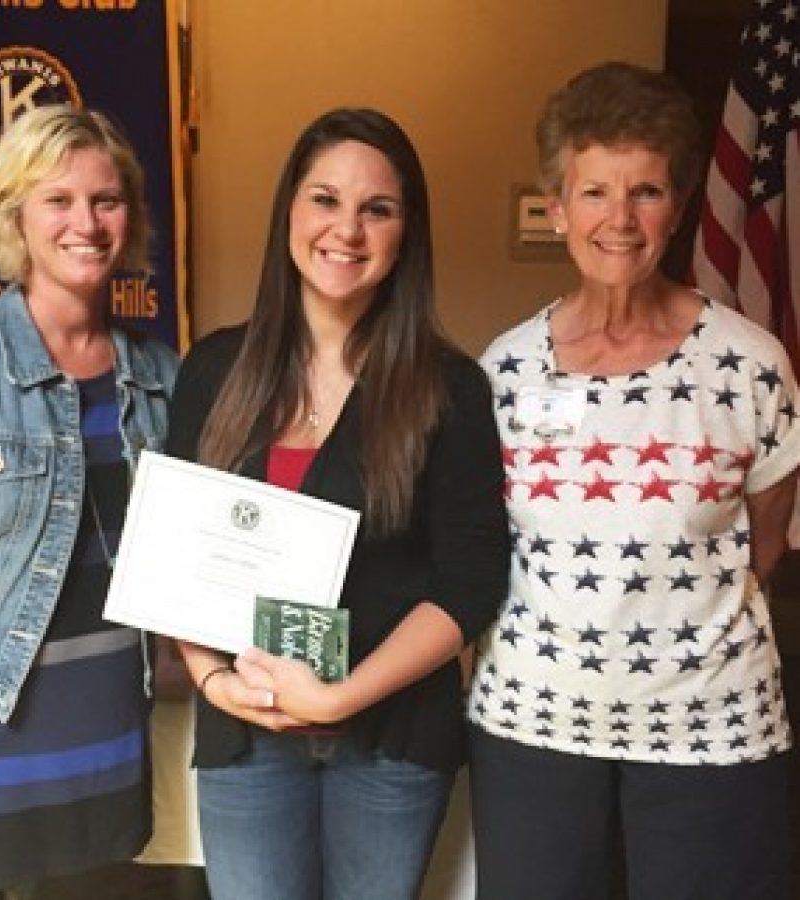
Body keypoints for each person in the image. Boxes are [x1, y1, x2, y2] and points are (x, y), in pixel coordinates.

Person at [468, 60, 800, 900]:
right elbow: (482, 542)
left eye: (645, 192)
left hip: (709, 730)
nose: (619, 219)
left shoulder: (750, 364)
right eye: (594, 192)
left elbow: (764, 543)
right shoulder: (503, 370)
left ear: (680, 205)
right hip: (534, 724)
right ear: (557, 207)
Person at [166, 106, 508, 900]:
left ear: (405, 233)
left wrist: (337, 697)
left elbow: (471, 580)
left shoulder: (450, 389)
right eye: (325, 199)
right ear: (290, 209)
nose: (346, 230)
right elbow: (173, 556)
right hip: (243, 733)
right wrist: (216, 681)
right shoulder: (215, 369)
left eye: (376, 209)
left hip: (390, 736)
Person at [0, 104, 179, 898]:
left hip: (109, 770)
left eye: (107, 199)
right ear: (15, 216)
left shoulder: (166, 380)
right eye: (58, 200)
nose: (85, 223)